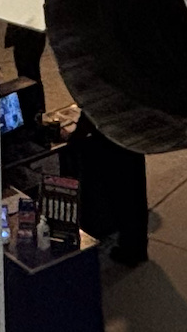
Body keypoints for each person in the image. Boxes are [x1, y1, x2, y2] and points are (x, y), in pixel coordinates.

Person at [61, 112, 147, 265]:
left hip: (110, 140)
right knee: (135, 193)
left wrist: (74, 138)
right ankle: (137, 247)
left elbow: (92, 111)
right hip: (131, 134)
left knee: (122, 197)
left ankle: (129, 248)